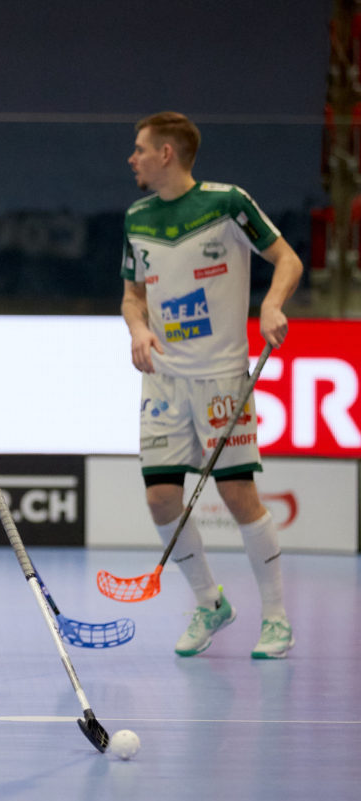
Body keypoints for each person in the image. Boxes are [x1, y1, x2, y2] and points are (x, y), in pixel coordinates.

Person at [121, 111, 303, 659]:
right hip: (164, 380)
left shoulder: (227, 204)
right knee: (159, 498)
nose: (132, 158)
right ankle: (210, 602)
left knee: (237, 493)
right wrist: (138, 331)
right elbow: (133, 294)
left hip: (221, 377)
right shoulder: (137, 217)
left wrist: (271, 305)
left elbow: (287, 258)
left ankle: (276, 618)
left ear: (167, 154)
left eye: (139, 149)